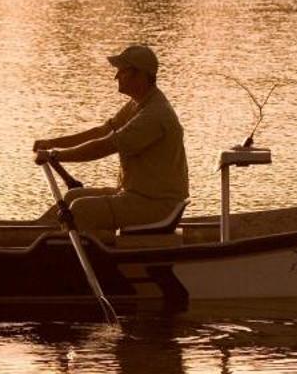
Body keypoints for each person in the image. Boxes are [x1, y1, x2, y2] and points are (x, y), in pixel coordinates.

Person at [32, 44, 188, 234]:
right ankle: (29, 235)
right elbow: (101, 132)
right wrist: (52, 144)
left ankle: (56, 252)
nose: (116, 76)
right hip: (136, 196)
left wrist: (56, 155)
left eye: (123, 71)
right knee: (73, 196)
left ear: (140, 75)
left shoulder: (154, 115)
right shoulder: (138, 104)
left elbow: (103, 147)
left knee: (81, 210)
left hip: (156, 205)